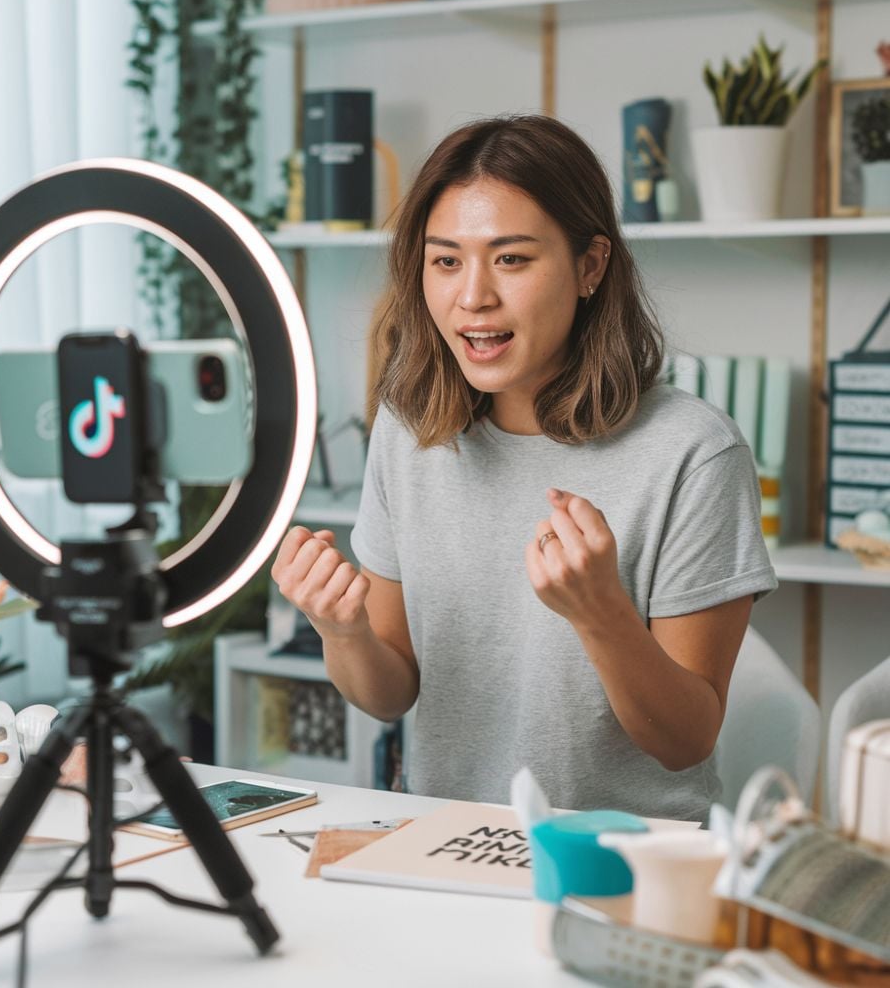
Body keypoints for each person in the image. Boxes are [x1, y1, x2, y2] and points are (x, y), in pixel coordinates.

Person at [271, 114, 777, 823]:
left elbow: (684, 741)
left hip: (620, 858)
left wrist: (602, 614)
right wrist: (342, 630)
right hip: (442, 841)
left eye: (511, 259)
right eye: (446, 261)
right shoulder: (409, 431)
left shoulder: (693, 453)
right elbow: (389, 691)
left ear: (590, 267)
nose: (473, 296)